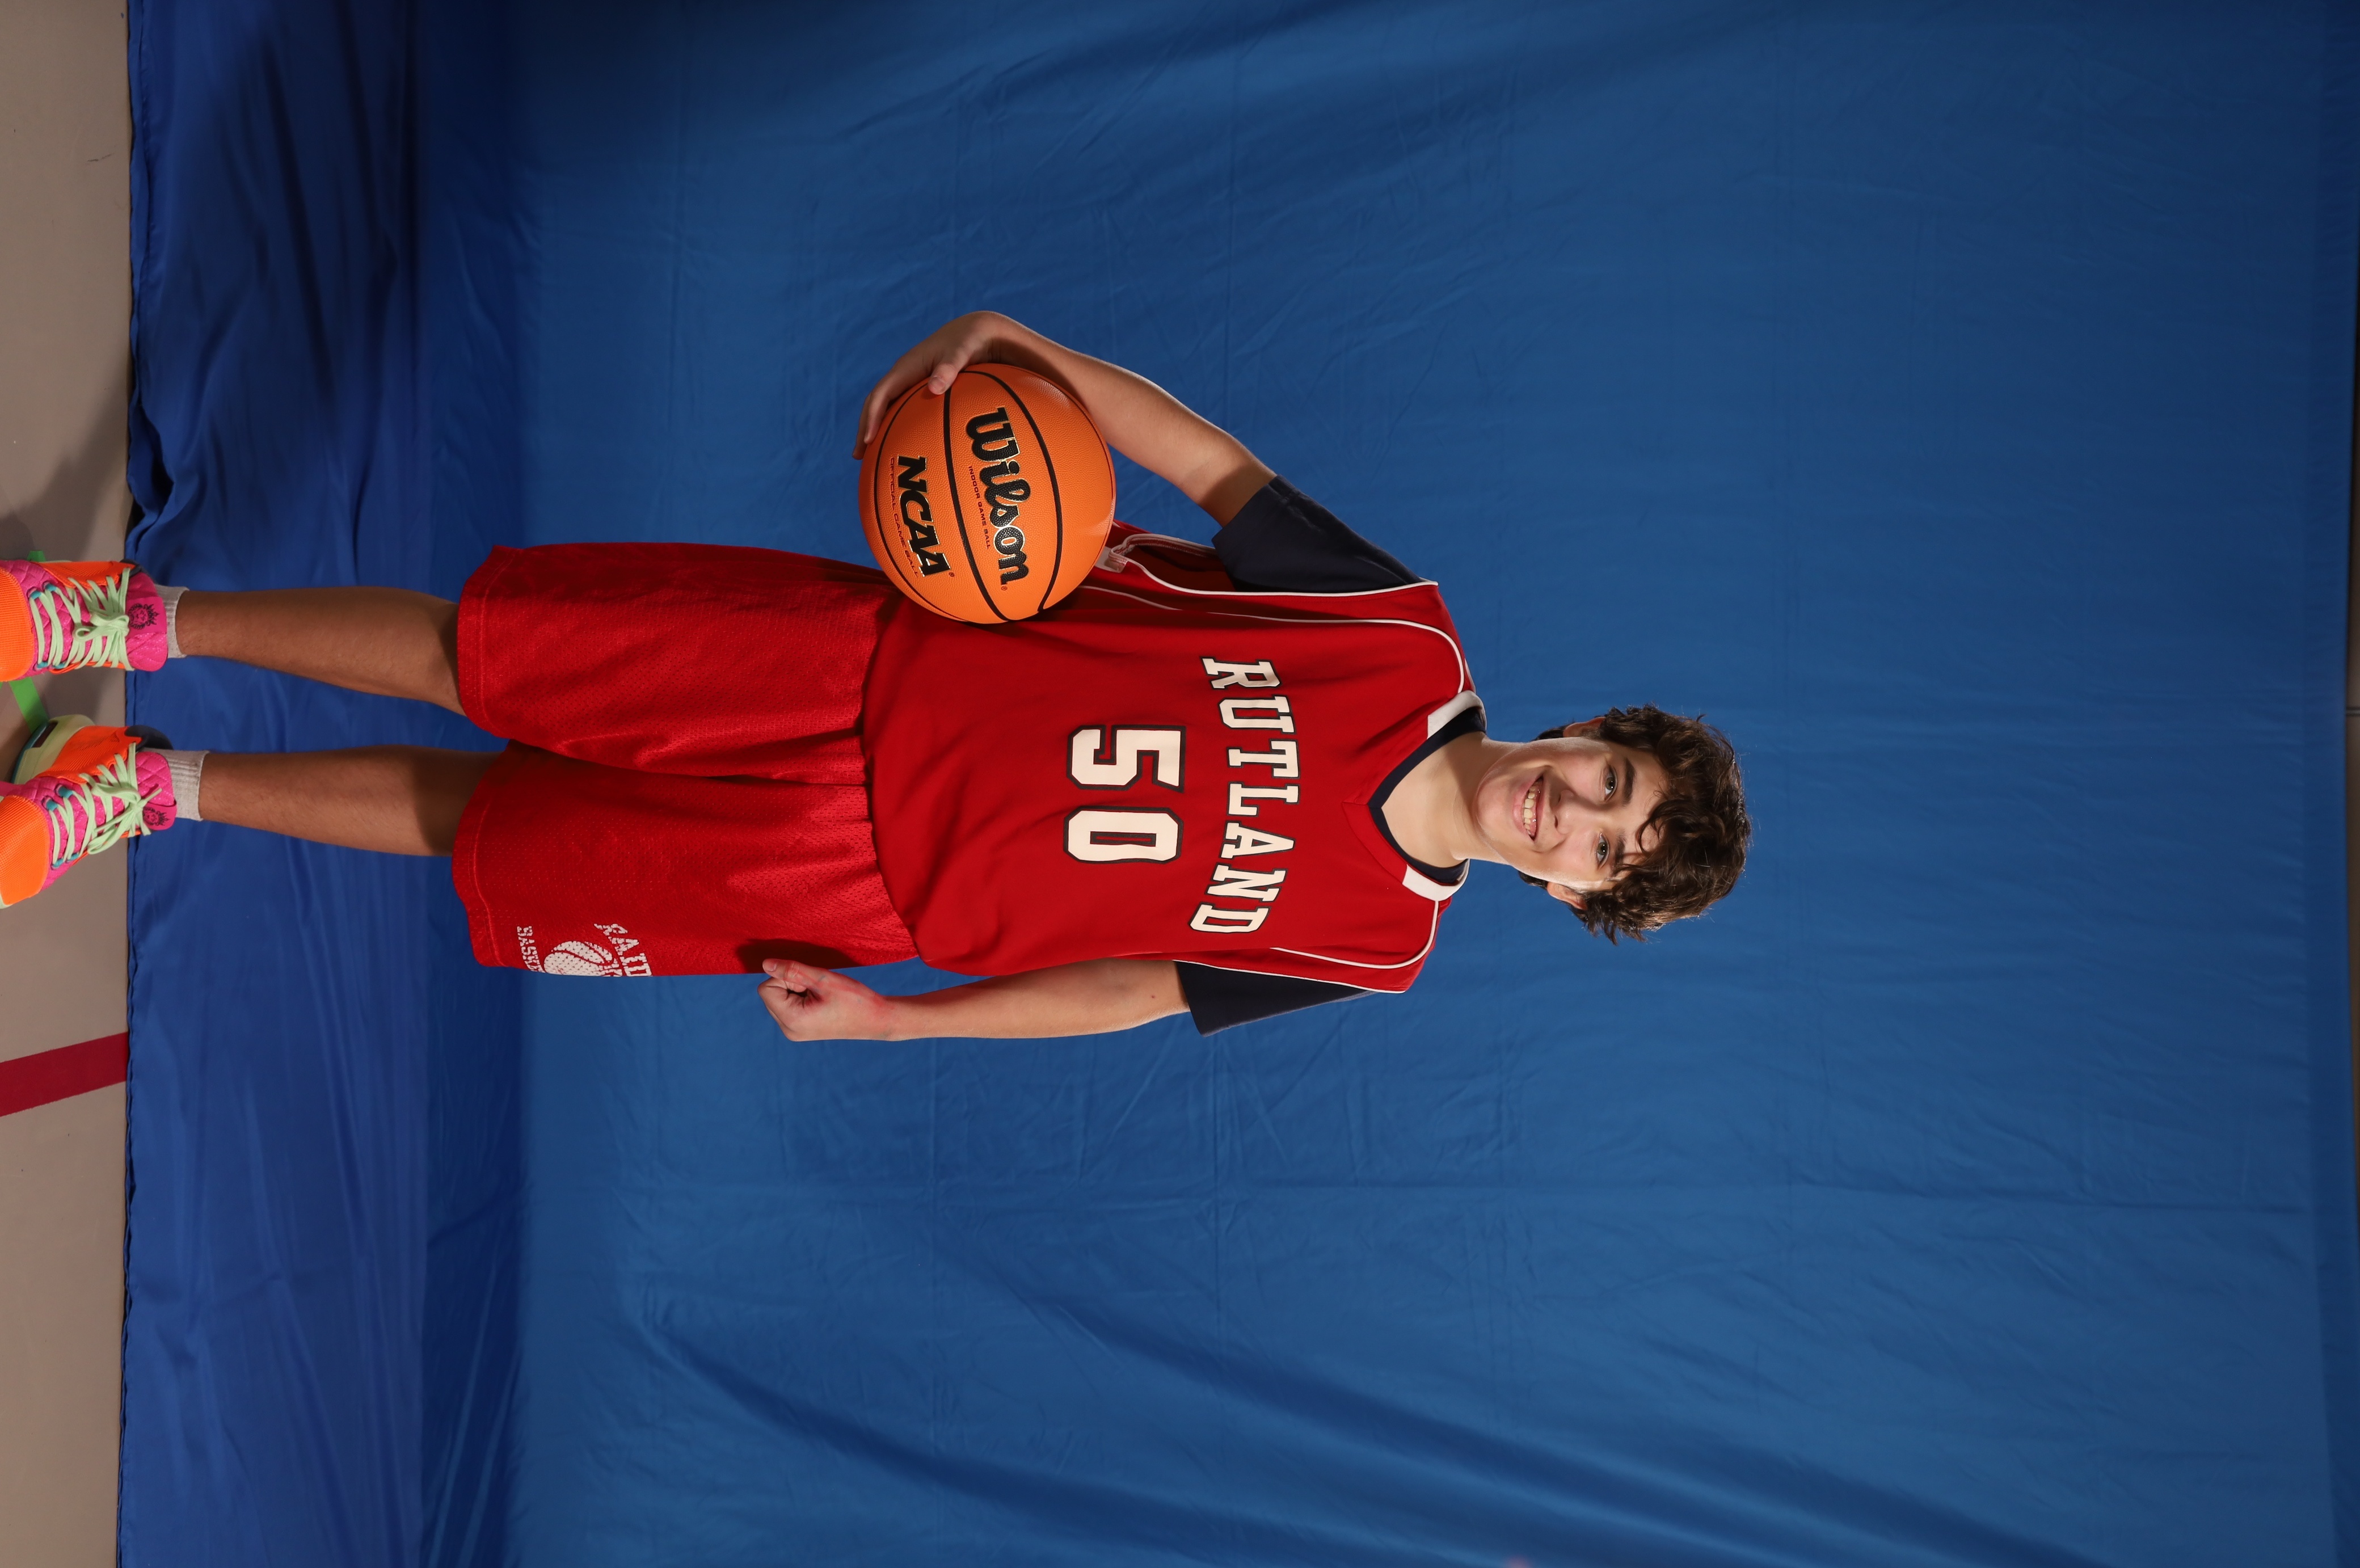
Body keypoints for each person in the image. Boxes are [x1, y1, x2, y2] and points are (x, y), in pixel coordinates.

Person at [0, 313, 1750, 1039]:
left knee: (493, 831)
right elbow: (1211, 469)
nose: (1576, 817)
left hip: (869, 884)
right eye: (1613, 784)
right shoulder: (1395, 631)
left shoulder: (1375, 947)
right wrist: (1021, 348)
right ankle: (123, 623)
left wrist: (907, 1024)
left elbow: (1132, 989)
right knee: (490, 661)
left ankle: (142, 787)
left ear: (1571, 897)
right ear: (1590, 733)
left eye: (1605, 854)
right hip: (860, 665)